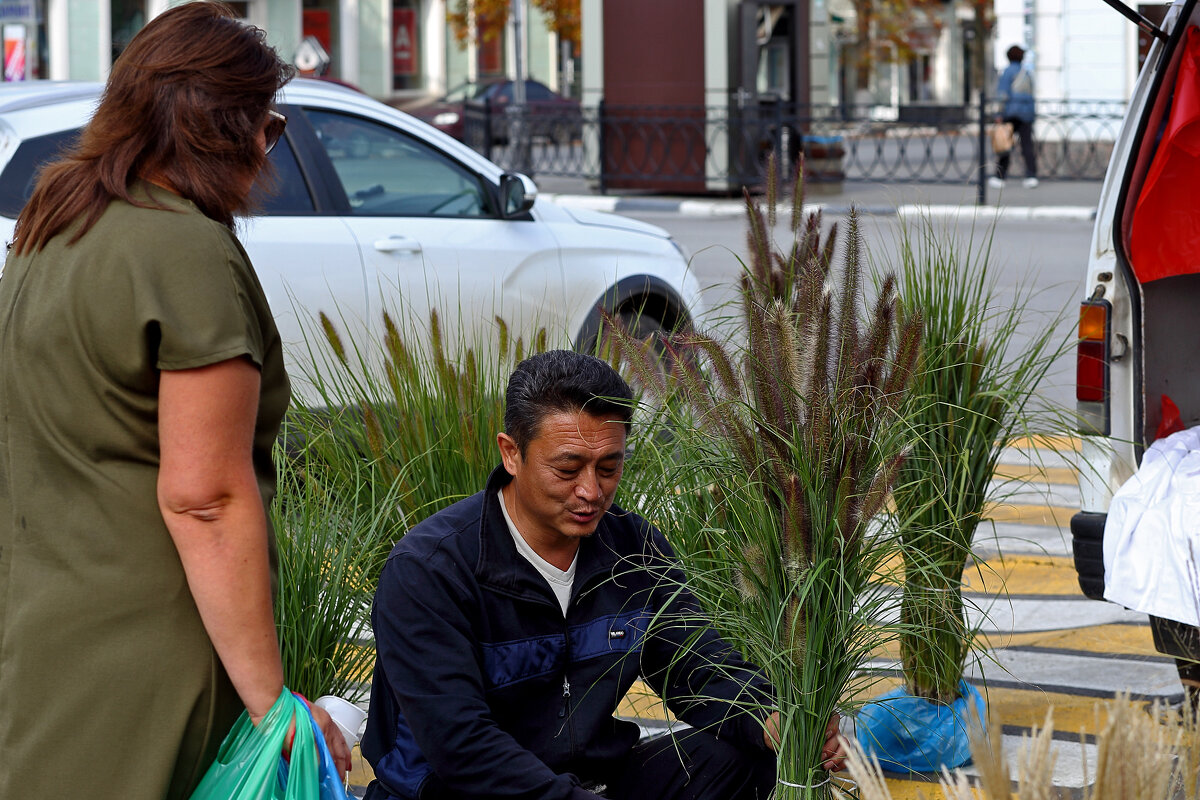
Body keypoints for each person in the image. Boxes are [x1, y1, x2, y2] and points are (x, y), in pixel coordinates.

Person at [0, 3, 350, 798]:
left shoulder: (52, 224)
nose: (271, 149)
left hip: (40, 628)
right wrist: (271, 705)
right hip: (152, 644)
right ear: (226, 129)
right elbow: (204, 498)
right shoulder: (185, 251)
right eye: (270, 125)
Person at [362, 350, 844, 800]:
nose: (591, 491)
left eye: (609, 467)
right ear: (512, 453)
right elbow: (461, 745)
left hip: (592, 779)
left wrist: (770, 718)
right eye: (568, 468)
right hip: (464, 789)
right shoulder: (430, 569)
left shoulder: (634, 549)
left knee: (746, 759)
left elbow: (698, 667)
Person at [991, 44, 1039, 189]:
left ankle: (1000, 176)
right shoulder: (1027, 73)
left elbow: (1002, 94)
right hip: (1026, 114)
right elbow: (1031, 95)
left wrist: (998, 113)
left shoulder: (1007, 72)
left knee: (1005, 144)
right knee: (1027, 146)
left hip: (1010, 113)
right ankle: (1031, 175)